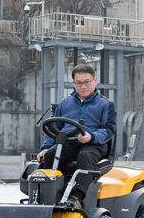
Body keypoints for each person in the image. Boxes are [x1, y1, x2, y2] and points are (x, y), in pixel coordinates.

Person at [37, 64, 116, 208]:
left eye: (87, 82)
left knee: (84, 156)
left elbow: (109, 130)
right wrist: (46, 147)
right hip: (68, 142)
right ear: (74, 83)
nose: (83, 86)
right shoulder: (64, 104)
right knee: (50, 155)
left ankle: (75, 197)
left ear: (95, 80)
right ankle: (44, 195)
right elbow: (55, 130)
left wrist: (90, 136)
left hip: (94, 144)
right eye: (79, 83)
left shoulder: (105, 104)